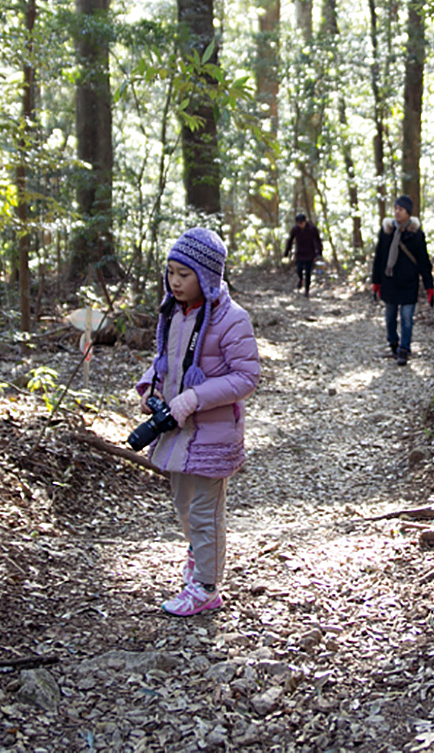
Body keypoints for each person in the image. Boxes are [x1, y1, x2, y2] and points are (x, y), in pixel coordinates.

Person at [135, 227, 260, 617]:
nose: (174, 281)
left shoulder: (231, 319)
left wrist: (192, 398)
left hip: (213, 433)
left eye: (183, 274)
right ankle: (199, 562)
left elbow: (246, 377)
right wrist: (149, 389)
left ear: (206, 276)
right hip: (177, 432)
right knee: (184, 507)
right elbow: (167, 361)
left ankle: (206, 586)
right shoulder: (173, 312)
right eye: (170, 272)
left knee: (206, 512)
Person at [371, 195, 434, 366]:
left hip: (409, 283)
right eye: (396, 209)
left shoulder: (416, 234)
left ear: (408, 213)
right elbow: (379, 258)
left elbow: (423, 261)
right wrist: (376, 281)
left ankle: (404, 349)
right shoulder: (386, 232)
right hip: (389, 282)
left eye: (401, 209)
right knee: (390, 316)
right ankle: (393, 342)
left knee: (407, 318)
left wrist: (429, 286)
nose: (397, 212)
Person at [283, 212, 323, 296]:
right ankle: (300, 279)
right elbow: (290, 240)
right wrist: (287, 252)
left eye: (301, 223)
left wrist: (319, 253)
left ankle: (307, 290)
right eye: (298, 223)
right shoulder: (295, 229)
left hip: (310, 253)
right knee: (299, 269)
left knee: (308, 272)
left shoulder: (312, 228)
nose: (300, 225)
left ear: (305, 222)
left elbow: (318, 241)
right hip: (300, 252)